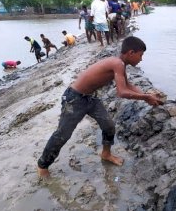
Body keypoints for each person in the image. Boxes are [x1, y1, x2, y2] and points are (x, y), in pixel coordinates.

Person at [37, 36, 164, 178]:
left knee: (108, 125)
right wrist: (146, 97)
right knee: (62, 134)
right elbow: (122, 92)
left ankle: (106, 154)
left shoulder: (120, 64)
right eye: (141, 55)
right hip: (74, 98)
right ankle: (43, 166)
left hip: (90, 98)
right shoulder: (118, 64)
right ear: (131, 53)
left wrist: (147, 96)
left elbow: (128, 85)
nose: (141, 59)